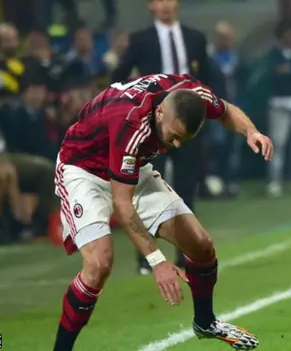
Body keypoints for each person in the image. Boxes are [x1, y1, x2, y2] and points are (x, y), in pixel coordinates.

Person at [52, 73, 270, 350]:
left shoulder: (193, 94)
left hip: (132, 166)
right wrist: (157, 261)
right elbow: (122, 204)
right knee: (98, 265)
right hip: (83, 170)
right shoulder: (131, 123)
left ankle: (205, 322)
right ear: (159, 112)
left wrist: (251, 131)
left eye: (184, 139)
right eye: (175, 136)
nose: (176, 145)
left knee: (201, 245)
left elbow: (226, 110)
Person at [111, 0, 227, 273]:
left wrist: (213, 110)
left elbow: (209, 79)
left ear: (178, 3)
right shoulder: (140, 40)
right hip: (152, 129)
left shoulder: (195, 38)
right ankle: (147, 259)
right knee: (149, 193)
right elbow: (119, 75)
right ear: (151, 4)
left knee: (187, 190)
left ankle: (187, 255)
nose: (165, 4)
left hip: (186, 127)